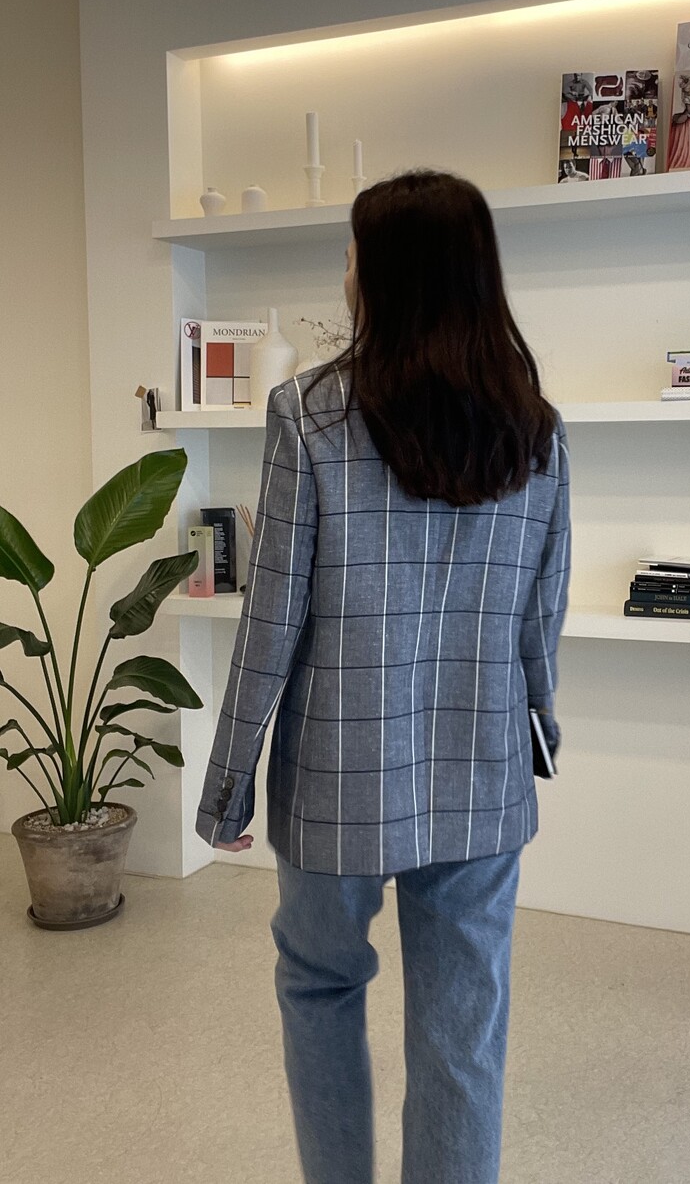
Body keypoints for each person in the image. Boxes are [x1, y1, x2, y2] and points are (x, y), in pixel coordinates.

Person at [196, 169, 571, 1184]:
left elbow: (272, 616)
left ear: (385, 275)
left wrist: (228, 780)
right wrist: (537, 725)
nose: (345, 272)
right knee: (462, 1025)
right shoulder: (535, 427)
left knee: (320, 986)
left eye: (353, 253)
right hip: (481, 768)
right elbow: (540, 615)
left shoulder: (308, 414)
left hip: (335, 776)